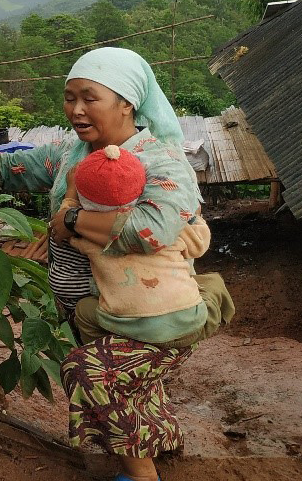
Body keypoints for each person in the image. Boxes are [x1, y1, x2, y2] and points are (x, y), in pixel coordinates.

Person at [0, 47, 208, 481]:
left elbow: (154, 229)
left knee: (97, 374)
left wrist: (71, 220)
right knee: (131, 383)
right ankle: (153, 444)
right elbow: (4, 167)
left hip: (152, 311)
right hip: (100, 308)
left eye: (90, 97)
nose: (77, 109)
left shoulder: (158, 159)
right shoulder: (72, 153)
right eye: (70, 97)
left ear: (127, 102)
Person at [62, 144, 215, 348]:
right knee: (214, 284)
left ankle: (105, 352)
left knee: (84, 310)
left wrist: (70, 196)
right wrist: (193, 217)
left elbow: (62, 228)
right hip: (188, 325)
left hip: (127, 329)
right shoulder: (168, 228)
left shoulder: (88, 235)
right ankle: (199, 330)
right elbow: (199, 245)